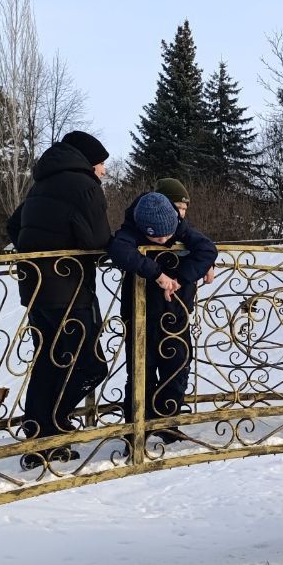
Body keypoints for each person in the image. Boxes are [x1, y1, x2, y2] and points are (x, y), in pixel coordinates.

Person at [6, 130, 112, 470]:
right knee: (91, 366)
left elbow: (13, 225)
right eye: (101, 164)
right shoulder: (84, 186)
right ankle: (55, 424)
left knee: (48, 363)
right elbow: (97, 239)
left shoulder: (41, 184)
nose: (104, 171)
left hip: (35, 290)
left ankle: (38, 435)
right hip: (71, 291)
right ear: (88, 163)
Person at [109, 189, 217, 448]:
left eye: (168, 234)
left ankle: (169, 423)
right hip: (140, 315)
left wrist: (180, 279)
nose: (164, 240)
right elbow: (119, 250)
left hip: (176, 313)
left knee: (178, 367)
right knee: (140, 372)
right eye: (155, 236)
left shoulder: (179, 226)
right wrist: (158, 274)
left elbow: (206, 248)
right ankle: (137, 429)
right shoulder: (130, 230)